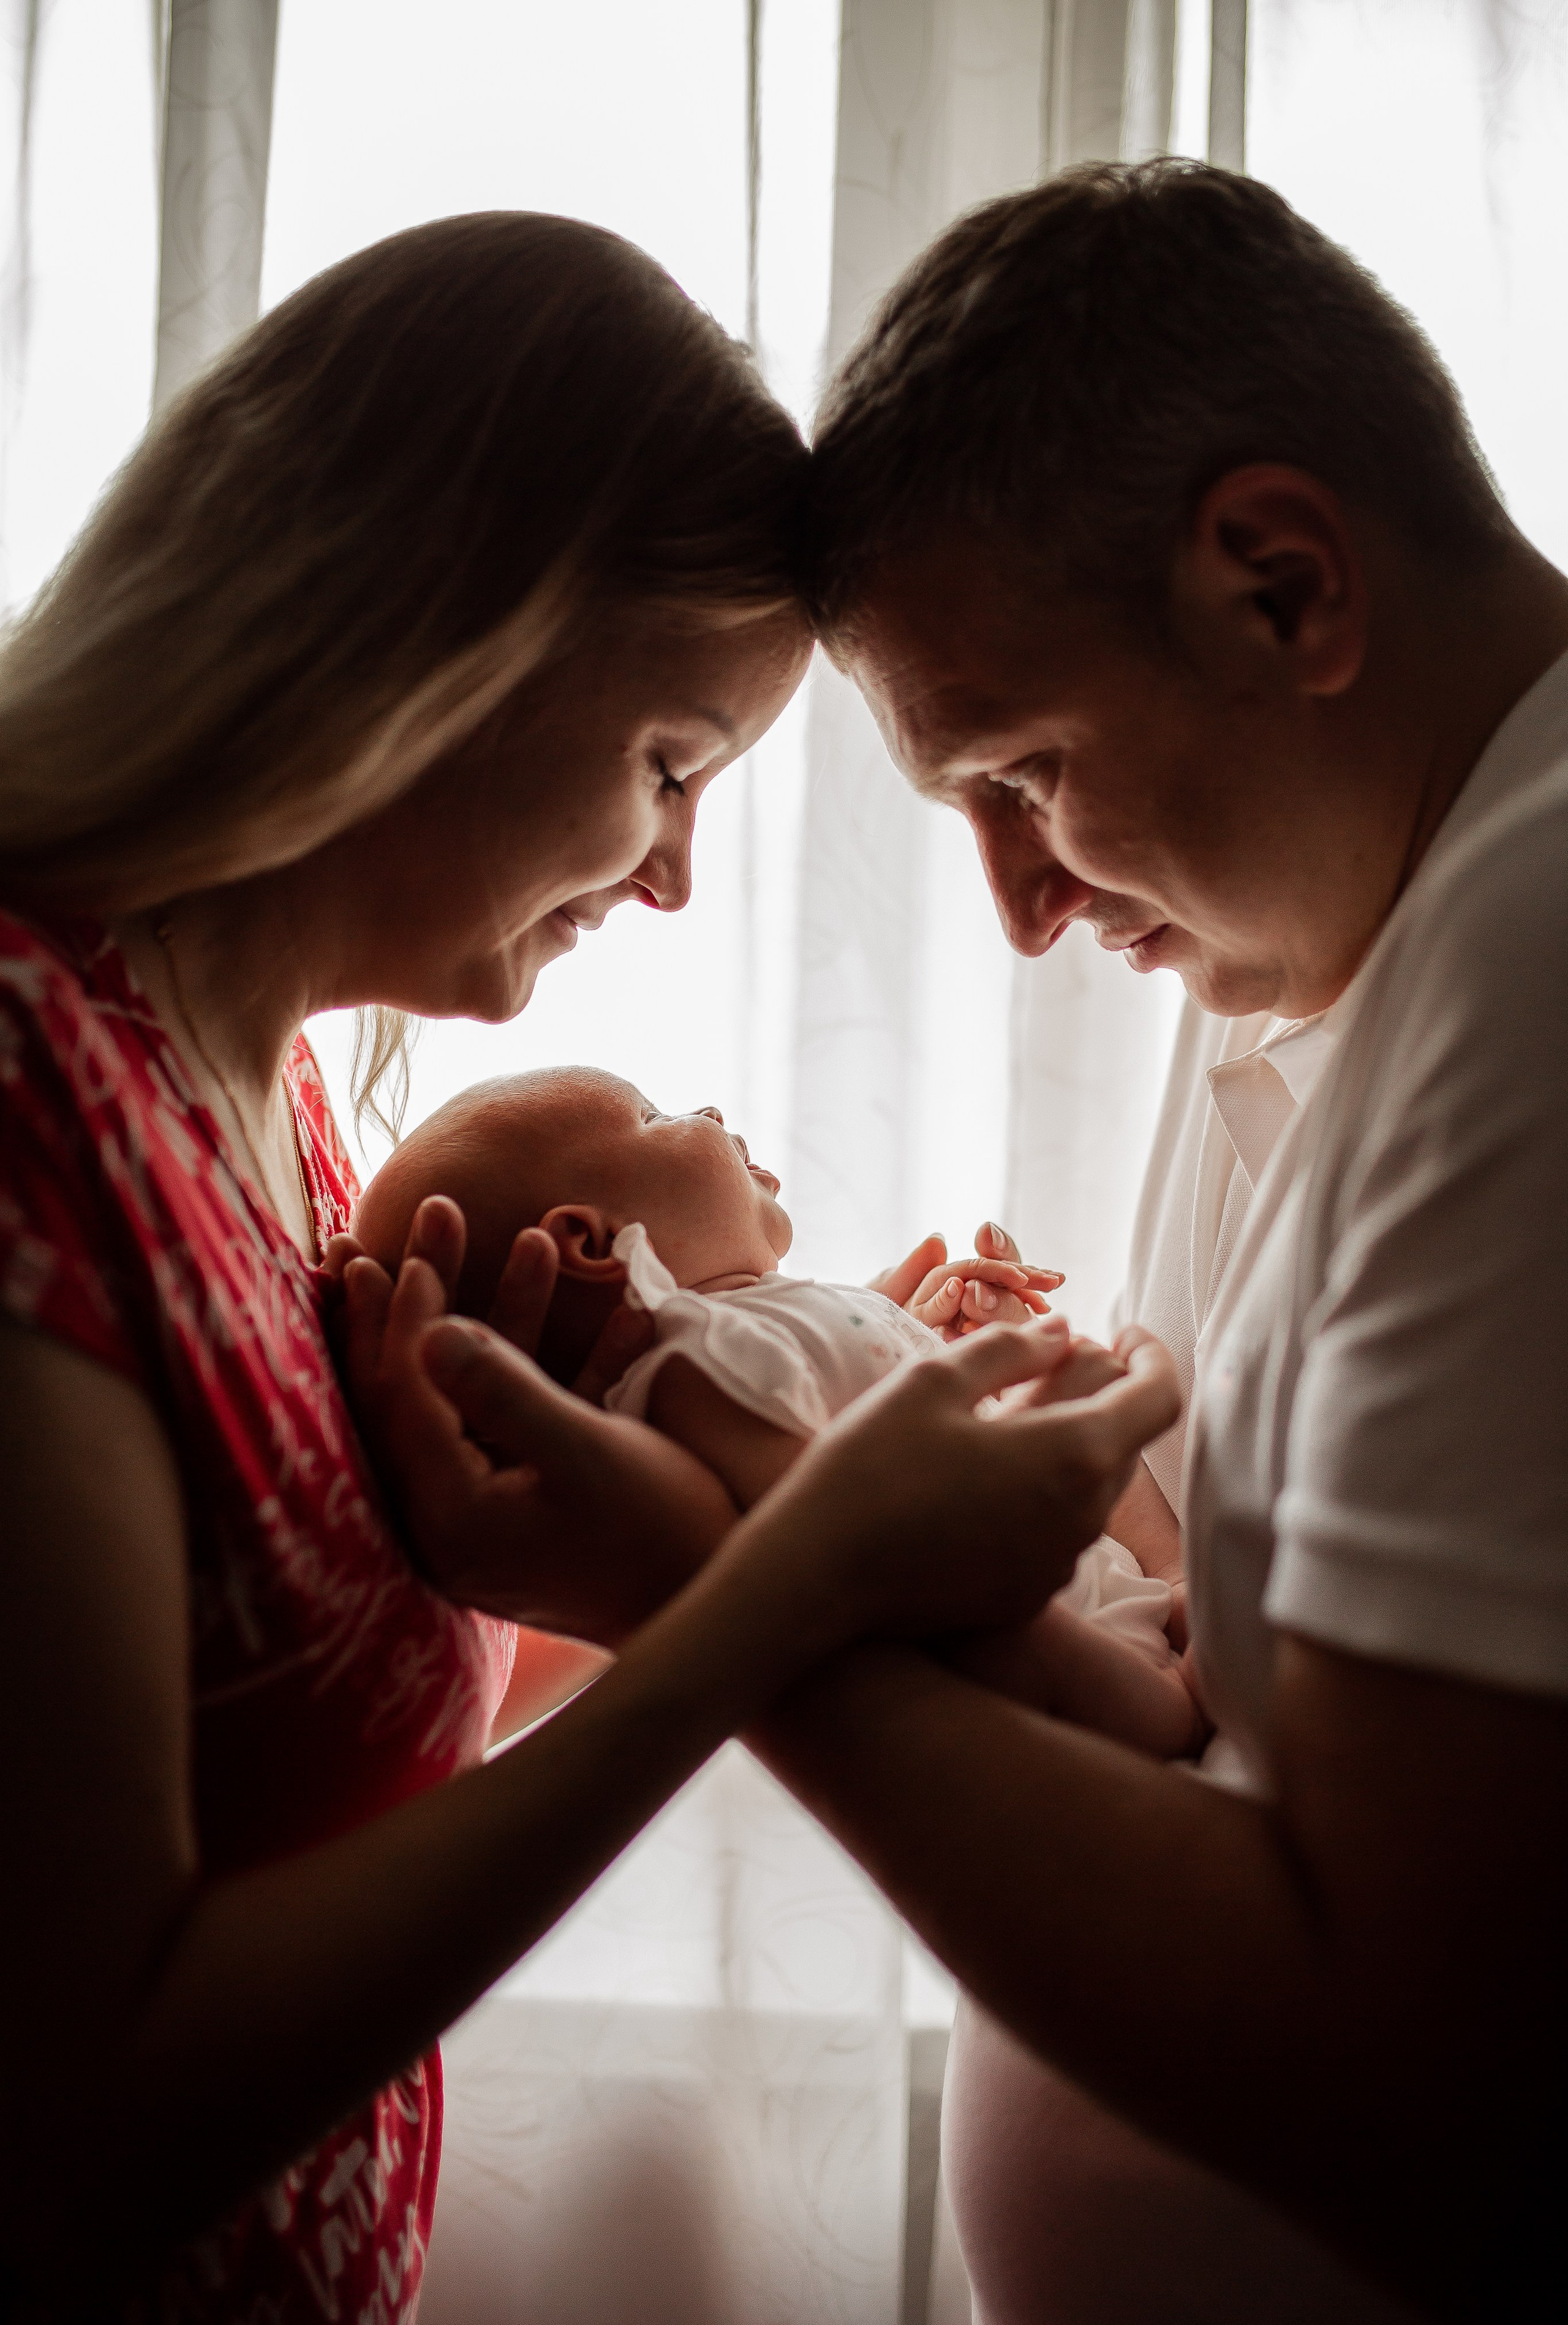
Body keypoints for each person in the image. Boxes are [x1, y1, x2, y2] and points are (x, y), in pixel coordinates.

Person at [373, 160, 1568, 2321]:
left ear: (1283, 584)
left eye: (1023, 771)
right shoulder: (1339, 973)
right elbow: (1222, 1695)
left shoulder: (1546, 966)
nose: (1020, 910)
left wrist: (707, 1573)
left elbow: (1416, 2079)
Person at [0, 209, 1178, 2319]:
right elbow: (93, 2102)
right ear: (432, 638)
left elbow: (304, 1759)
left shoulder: (286, 1122)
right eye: (666, 763)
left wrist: (721, 1457)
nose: (666, 873)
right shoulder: (26, 1095)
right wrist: (776, 1590)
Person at [354, 1065, 1199, 1754]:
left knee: (1076, 1433)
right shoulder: (691, 1368)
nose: (711, 1108)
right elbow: (827, 1526)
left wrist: (909, 1345)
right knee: (1035, 1606)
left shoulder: (744, 1326)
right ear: (596, 1242)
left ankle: (1171, 1577)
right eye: (657, 1114)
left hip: (1082, 1582)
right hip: (1058, 1642)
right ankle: (1167, 1700)